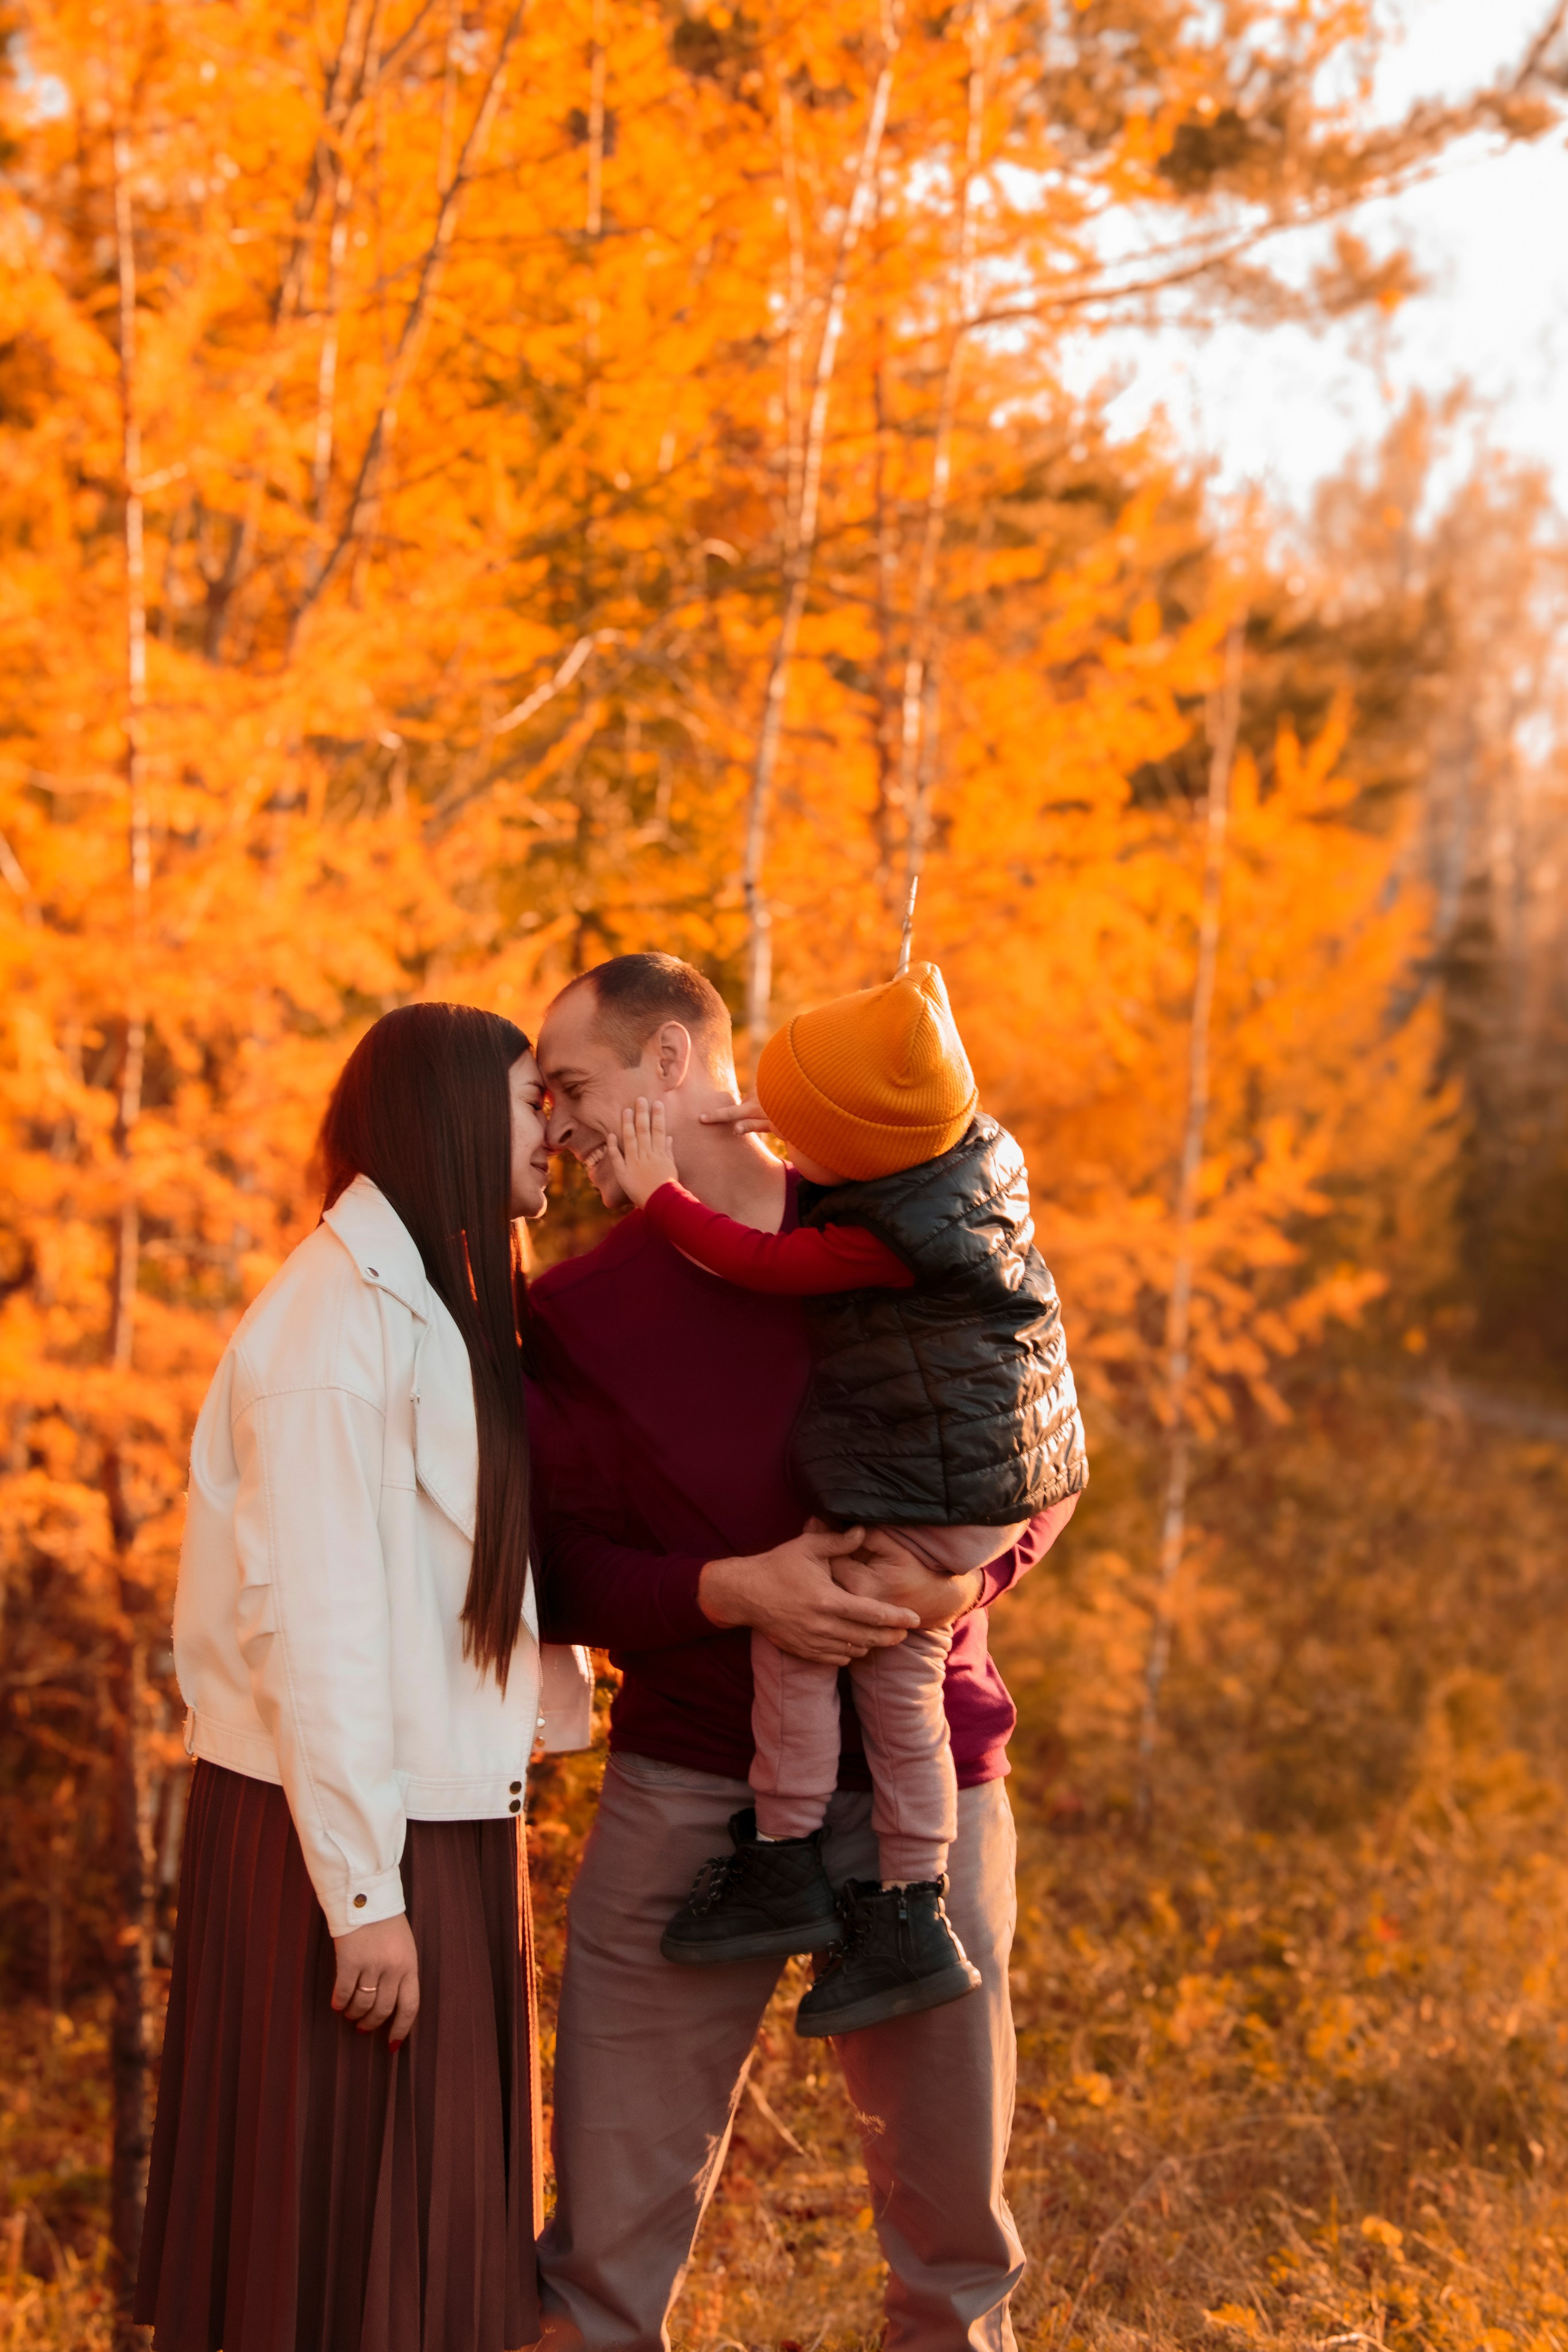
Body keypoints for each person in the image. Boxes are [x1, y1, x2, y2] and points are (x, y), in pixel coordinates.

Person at [529, 952, 1080, 2352]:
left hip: (925, 1790)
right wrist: (732, 1591)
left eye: (574, 1087)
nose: (556, 1125)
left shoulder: (907, 1223)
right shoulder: (575, 1314)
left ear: (667, 1069)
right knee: (600, 2250)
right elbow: (558, 1569)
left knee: (954, 2257)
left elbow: (1044, 1459)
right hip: (690, 1787)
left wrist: (952, 1590)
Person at [135, 1003, 592, 2352]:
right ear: (453, 1117)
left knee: (430, 2227)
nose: (552, 1130)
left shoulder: (436, 1309)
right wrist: (360, 1898)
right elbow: (318, 1632)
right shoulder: (335, 1333)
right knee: (338, 2234)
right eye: (528, 1103)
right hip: (339, 1844)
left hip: (425, 1824)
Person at [600, 961, 1086, 2037]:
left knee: (850, 1658)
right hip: (970, 1482)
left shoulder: (879, 1235)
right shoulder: (959, 1176)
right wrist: (776, 1113)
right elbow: (866, 1124)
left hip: (944, 1508)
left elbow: (758, 1263)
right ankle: (879, 1899)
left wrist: (662, 1198)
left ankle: (844, 1880)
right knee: (853, 1658)